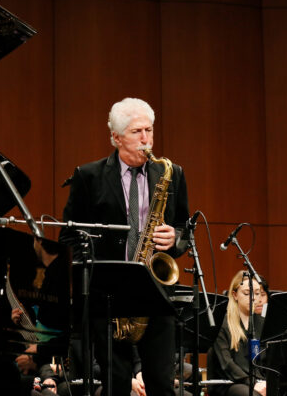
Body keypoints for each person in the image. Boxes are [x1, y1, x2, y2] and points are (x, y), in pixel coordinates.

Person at [59, 97, 190, 396]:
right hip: (110, 298)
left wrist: (176, 239)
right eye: (136, 132)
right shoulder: (88, 176)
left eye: (150, 130)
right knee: (116, 385)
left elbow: (184, 229)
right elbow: (68, 238)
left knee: (162, 385)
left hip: (156, 291)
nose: (146, 139)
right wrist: (94, 273)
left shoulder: (173, 173)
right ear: (115, 138)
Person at [206, 270, 267, 396]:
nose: (253, 298)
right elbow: (226, 364)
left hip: (257, 381)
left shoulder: (261, 323)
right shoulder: (222, 323)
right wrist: (253, 382)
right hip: (228, 383)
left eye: (257, 293)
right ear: (234, 295)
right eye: (247, 293)